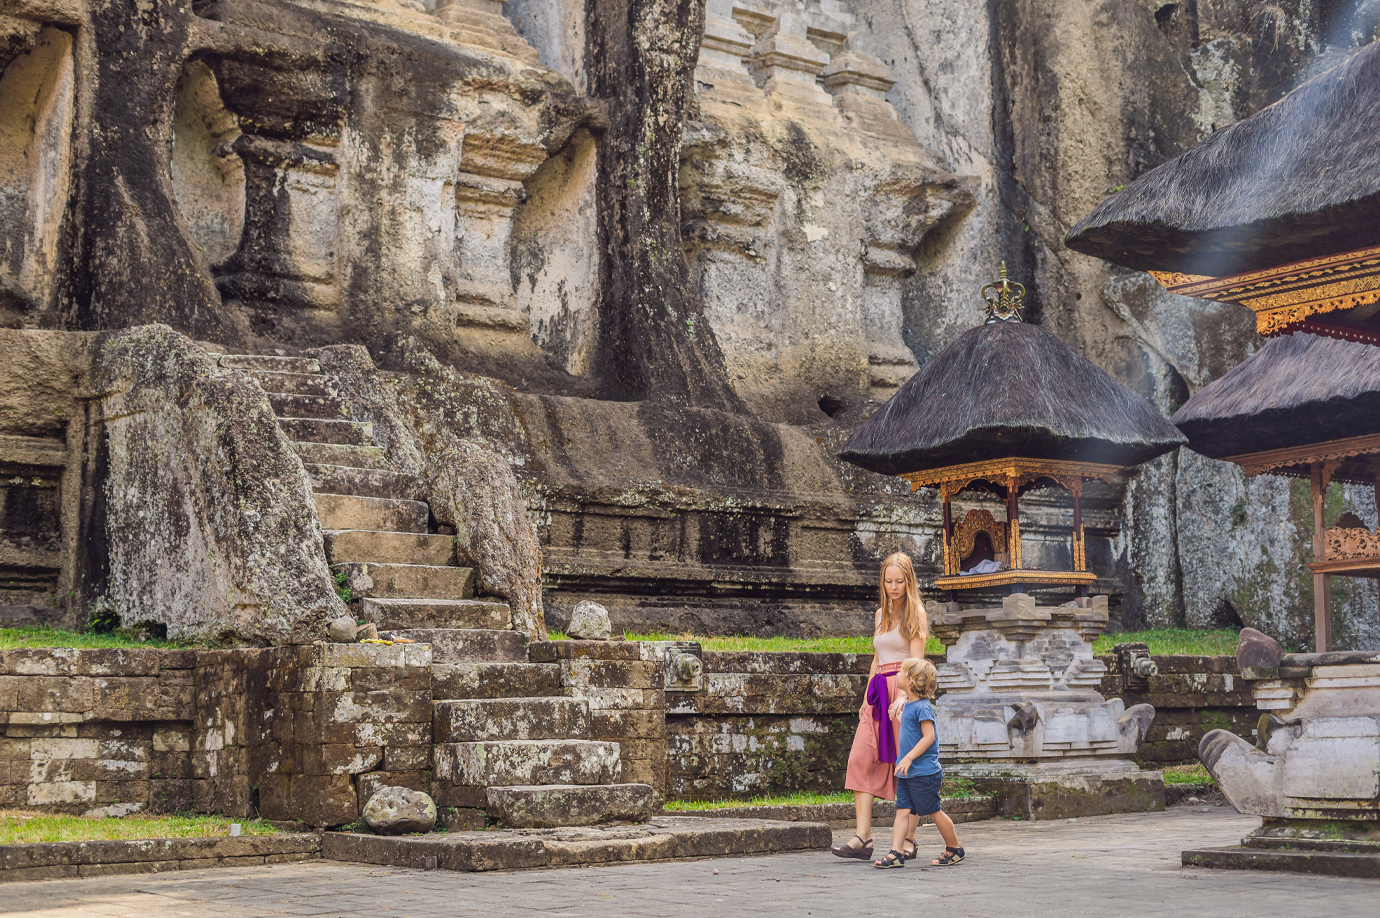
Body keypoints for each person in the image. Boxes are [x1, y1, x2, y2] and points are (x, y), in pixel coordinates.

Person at [831, 552, 928, 860]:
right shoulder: (880, 614)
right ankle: (863, 837)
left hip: (904, 692)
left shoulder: (917, 615)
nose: (894, 587)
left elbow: (917, 663)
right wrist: (865, 699)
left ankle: (909, 839)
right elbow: (876, 659)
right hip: (878, 693)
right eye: (888, 581)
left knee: (908, 766)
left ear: (908, 582)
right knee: (860, 756)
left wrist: (903, 697)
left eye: (899, 581)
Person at [873, 656, 965, 868]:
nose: (897, 675)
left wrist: (908, 757)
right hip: (907, 772)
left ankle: (954, 847)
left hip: (924, 772)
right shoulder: (909, 705)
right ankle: (896, 853)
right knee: (902, 810)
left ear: (911, 681)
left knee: (933, 810)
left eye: (901, 672)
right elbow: (911, 730)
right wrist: (897, 717)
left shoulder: (923, 707)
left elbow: (928, 737)